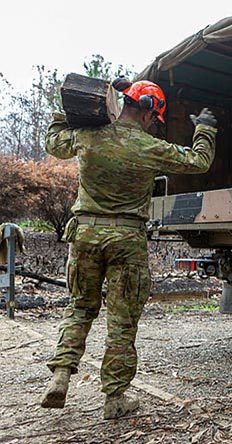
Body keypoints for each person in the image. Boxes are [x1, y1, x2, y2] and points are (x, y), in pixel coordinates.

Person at [40, 78, 217, 419]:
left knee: (80, 306)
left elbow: (52, 142)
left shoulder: (89, 137)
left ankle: (61, 375)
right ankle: (115, 398)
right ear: (150, 113)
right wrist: (205, 129)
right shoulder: (149, 147)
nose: (154, 123)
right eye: (155, 118)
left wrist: (69, 113)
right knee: (122, 320)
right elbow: (199, 162)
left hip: (85, 235)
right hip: (126, 241)